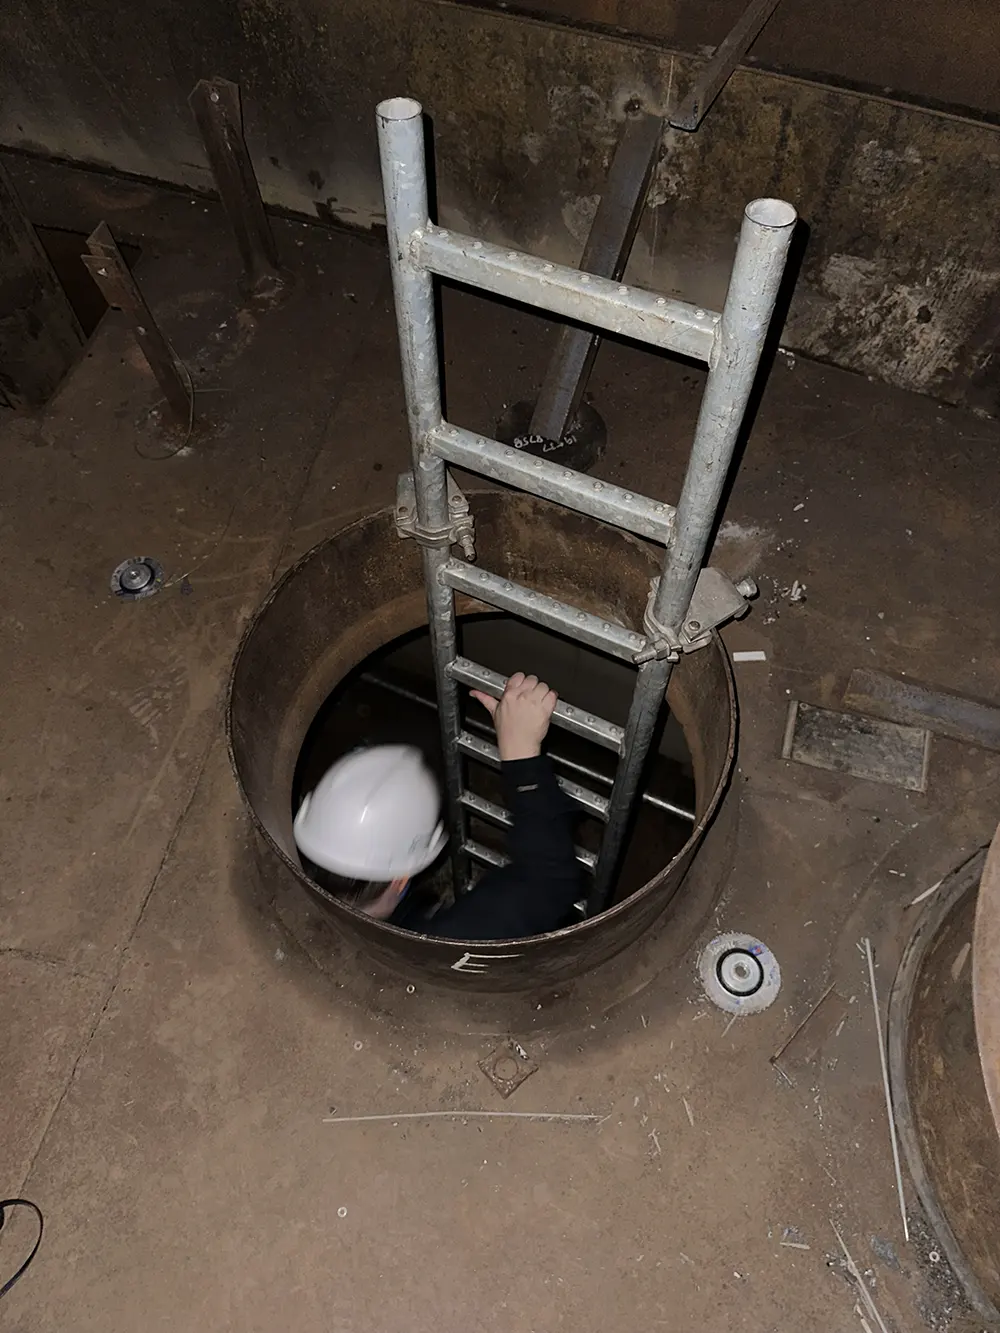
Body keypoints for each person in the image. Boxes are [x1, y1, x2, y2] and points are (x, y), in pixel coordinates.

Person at [293, 672, 582, 939]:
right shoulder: (441, 944)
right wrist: (522, 757)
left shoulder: (281, 903)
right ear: (400, 881)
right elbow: (550, 881)